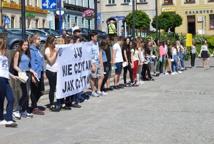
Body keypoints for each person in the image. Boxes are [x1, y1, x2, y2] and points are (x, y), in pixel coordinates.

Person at [13, 40, 35, 118]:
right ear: (21, 45)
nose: (26, 46)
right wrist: (21, 72)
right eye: (24, 45)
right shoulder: (18, 53)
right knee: (24, 94)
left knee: (26, 94)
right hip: (22, 75)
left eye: (27, 45)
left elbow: (27, 66)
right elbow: (15, 66)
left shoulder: (26, 53)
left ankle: (23, 110)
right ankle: (17, 110)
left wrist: (32, 71)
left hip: (28, 74)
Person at [0, 37, 18, 127]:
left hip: (5, 78)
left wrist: (12, 75)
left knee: (11, 98)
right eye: (5, 46)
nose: (6, 48)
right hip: (0, 78)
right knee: (1, 99)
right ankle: (2, 119)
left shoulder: (4, 57)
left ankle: (9, 118)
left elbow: (5, 69)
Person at [44, 35, 62, 112]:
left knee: (58, 87)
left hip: (57, 70)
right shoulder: (47, 50)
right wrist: (56, 53)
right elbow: (51, 61)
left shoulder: (55, 48)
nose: (56, 42)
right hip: (51, 71)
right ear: (50, 42)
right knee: (52, 87)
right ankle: (51, 103)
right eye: (54, 41)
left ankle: (59, 101)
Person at [30, 34, 45, 115]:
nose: (40, 40)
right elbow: (32, 63)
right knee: (34, 91)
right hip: (35, 73)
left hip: (40, 72)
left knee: (41, 91)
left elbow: (41, 61)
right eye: (38, 39)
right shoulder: (32, 50)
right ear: (34, 40)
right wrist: (32, 75)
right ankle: (34, 108)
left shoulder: (37, 49)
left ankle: (33, 105)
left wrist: (43, 71)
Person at [90, 32, 106, 96]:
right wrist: (92, 64)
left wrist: (101, 64)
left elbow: (99, 54)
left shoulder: (97, 44)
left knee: (101, 76)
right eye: (96, 37)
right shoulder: (89, 44)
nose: (97, 38)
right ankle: (93, 91)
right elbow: (88, 55)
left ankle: (98, 90)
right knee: (93, 77)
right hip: (93, 63)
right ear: (92, 37)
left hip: (98, 62)